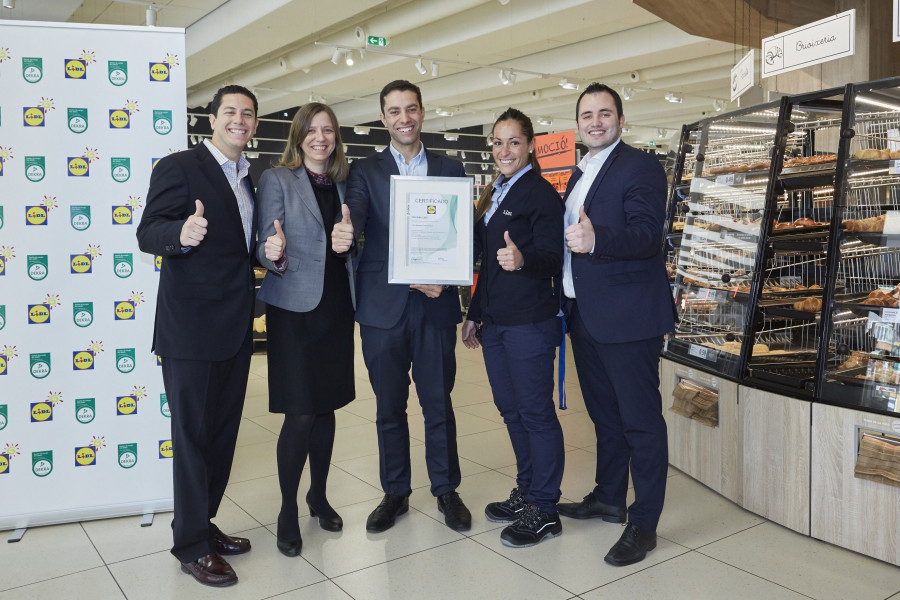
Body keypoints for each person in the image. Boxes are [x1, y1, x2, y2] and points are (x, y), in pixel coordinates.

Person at [331, 80, 471, 533]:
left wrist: (445, 278)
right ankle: (395, 492)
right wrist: (343, 234)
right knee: (388, 407)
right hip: (382, 308)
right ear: (383, 118)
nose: (403, 118)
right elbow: (355, 222)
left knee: (438, 403)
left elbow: (461, 240)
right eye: (394, 111)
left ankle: (446, 489)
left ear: (423, 113)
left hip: (434, 306)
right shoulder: (365, 172)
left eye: (410, 109)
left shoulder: (451, 168)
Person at [136, 85, 259, 587]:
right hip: (189, 331)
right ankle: (189, 546)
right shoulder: (179, 166)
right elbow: (148, 230)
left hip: (234, 327)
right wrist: (178, 237)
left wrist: (268, 252)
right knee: (190, 439)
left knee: (221, 435)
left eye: (247, 114)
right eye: (230, 112)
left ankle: (202, 525)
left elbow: (238, 250)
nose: (239, 120)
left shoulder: (251, 178)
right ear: (212, 120)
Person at [558, 83, 677, 567]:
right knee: (605, 415)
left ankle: (643, 523)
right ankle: (609, 495)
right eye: (587, 114)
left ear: (621, 120)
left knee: (640, 423)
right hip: (585, 313)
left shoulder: (640, 166)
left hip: (628, 318)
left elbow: (649, 236)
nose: (595, 121)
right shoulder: (581, 171)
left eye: (605, 113)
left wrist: (596, 238)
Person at [461, 108, 565, 548]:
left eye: (514, 142)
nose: (505, 150)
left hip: (530, 322)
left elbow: (553, 259)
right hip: (497, 323)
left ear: (530, 147)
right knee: (511, 410)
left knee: (536, 413)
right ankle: (527, 490)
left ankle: (545, 507)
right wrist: (473, 312)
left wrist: (524, 259)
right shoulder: (494, 192)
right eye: (498, 143)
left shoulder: (540, 194)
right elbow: (487, 266)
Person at [255, 102, 355, 557]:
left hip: (335, 306)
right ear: (298, 137)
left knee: (327, 407)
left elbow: (350, 243)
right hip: (293, 310)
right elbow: (264, 243)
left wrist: (347, 245)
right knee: (300, 413)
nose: (320, 138)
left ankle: (319, 494)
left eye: (328, 130)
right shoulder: (277, 179)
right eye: (312, 131)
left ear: (335, 138)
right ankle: (288, 509)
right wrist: (273, 252)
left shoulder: (344, 182)